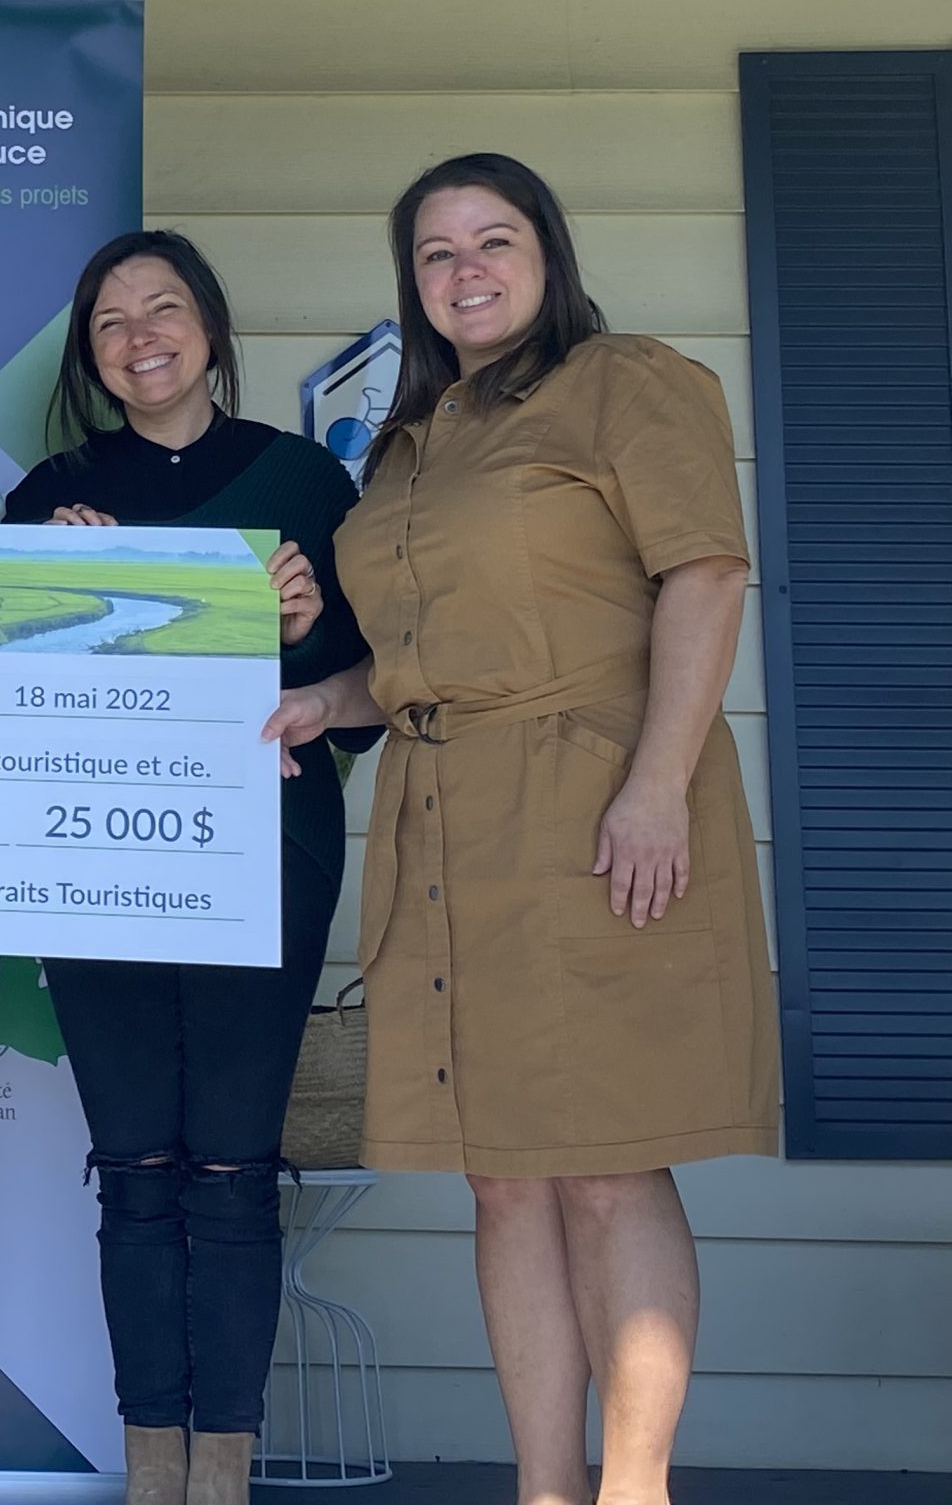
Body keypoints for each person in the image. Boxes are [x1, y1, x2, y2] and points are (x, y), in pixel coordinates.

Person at [265, 154, 776, 1505]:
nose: (465, 271)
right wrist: (324, 700)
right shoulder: (409, 445)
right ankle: (543, 1487)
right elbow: (422, 663)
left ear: (547, 251)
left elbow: (706, 573)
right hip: (444, 824)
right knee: (500, 1181)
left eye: (493, 241)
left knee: (606, 1166)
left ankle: (634, 1489)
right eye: (436, 252)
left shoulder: (626, 382)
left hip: (596, 804)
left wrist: (656, 786)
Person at [6, 231, 366, 1505]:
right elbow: (2, 704)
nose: (139, 337)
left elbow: (367, 693)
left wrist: (306, 630)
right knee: (134, 1170)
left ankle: (223, 1474)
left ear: (209, 327)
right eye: (110, 321)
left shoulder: (303, 480)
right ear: (89, 353)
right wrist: (49, 584)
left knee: (230, 1166)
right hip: (91, 859)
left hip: (268, 853)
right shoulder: (50, 496)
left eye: (162, 309)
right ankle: (150, 1469)